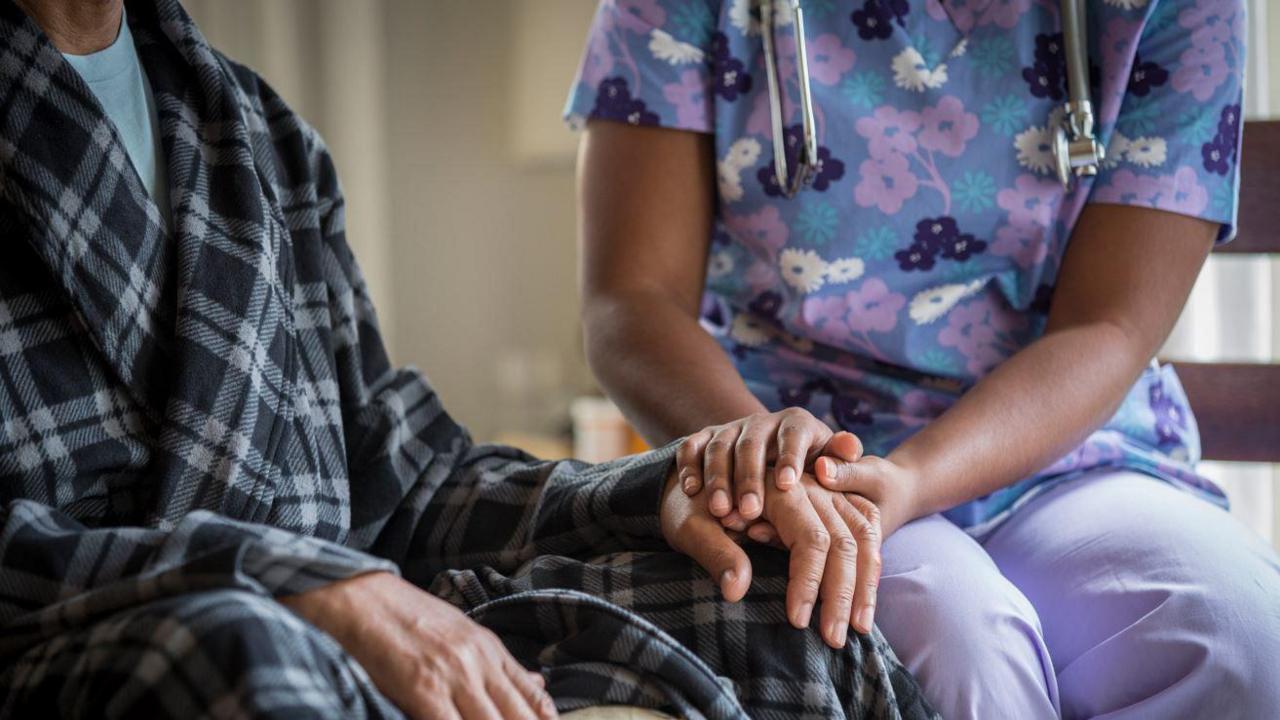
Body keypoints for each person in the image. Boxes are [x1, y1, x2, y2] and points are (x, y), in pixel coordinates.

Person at [0, 1, 941, 718]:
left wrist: (656, 493)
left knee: (768, 605)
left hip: (333, 603)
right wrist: (300, 584)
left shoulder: (257, 135)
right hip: (125, 632)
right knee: (238, 646)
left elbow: (409, 480)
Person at [567, 0, 1280, 718]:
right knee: (959, 641)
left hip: (1071, 451)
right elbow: (632, 298)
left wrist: (914, 477)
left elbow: (1112, 323)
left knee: (1242, 640)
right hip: (809, 467)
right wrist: (764, 457)